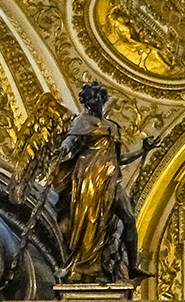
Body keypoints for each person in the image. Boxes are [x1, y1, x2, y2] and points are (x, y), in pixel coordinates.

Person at [55, 80, 159, 281]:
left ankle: (133, 265)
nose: (94, 103)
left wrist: (143, 150)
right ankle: (84, 266)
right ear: (86, 102)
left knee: (128, 218)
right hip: (89, 178)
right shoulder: (81, 122)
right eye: (91, 100)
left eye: (98, 99)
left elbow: (119, 159)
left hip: (111, 178)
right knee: (91, 223)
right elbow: (69, 142)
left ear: (102, 100)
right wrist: (64, 148)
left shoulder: (112, 126)